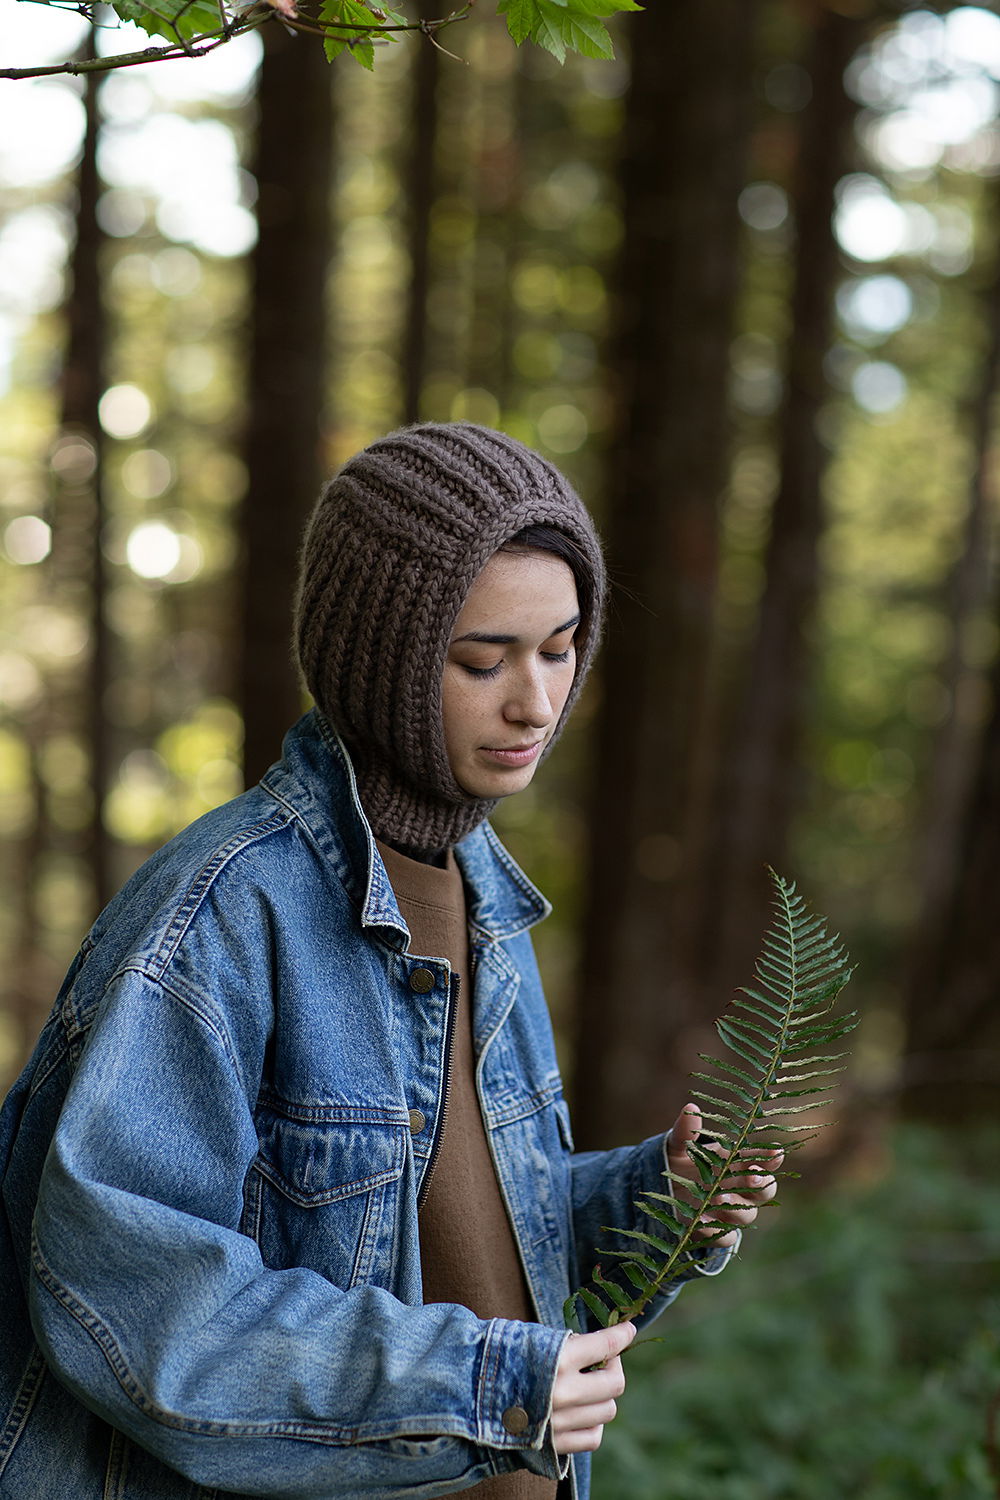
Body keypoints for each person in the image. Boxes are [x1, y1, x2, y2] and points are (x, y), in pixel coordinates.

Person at [0, 422, 775, 1500]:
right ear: (380, 663)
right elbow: (138, 1298)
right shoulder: (222, 915)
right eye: (483, 660)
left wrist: (657, 1196)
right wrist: (480, 1386)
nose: (535, 702)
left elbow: (461, 1234)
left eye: (559, 650)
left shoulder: (486, 895)